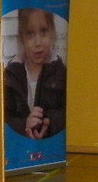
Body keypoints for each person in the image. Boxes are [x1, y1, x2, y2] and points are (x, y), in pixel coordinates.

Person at [4, 8, 66, 139]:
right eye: (30, 34)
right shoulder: (11, 75)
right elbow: (4, 117)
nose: (38, 43)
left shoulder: (61, 72)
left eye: (43, 32)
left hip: (51, 144)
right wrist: (24, 125)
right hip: (19, 145)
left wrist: (48, 123)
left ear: (53, 33)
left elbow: (67, 112)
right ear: (21, 38)